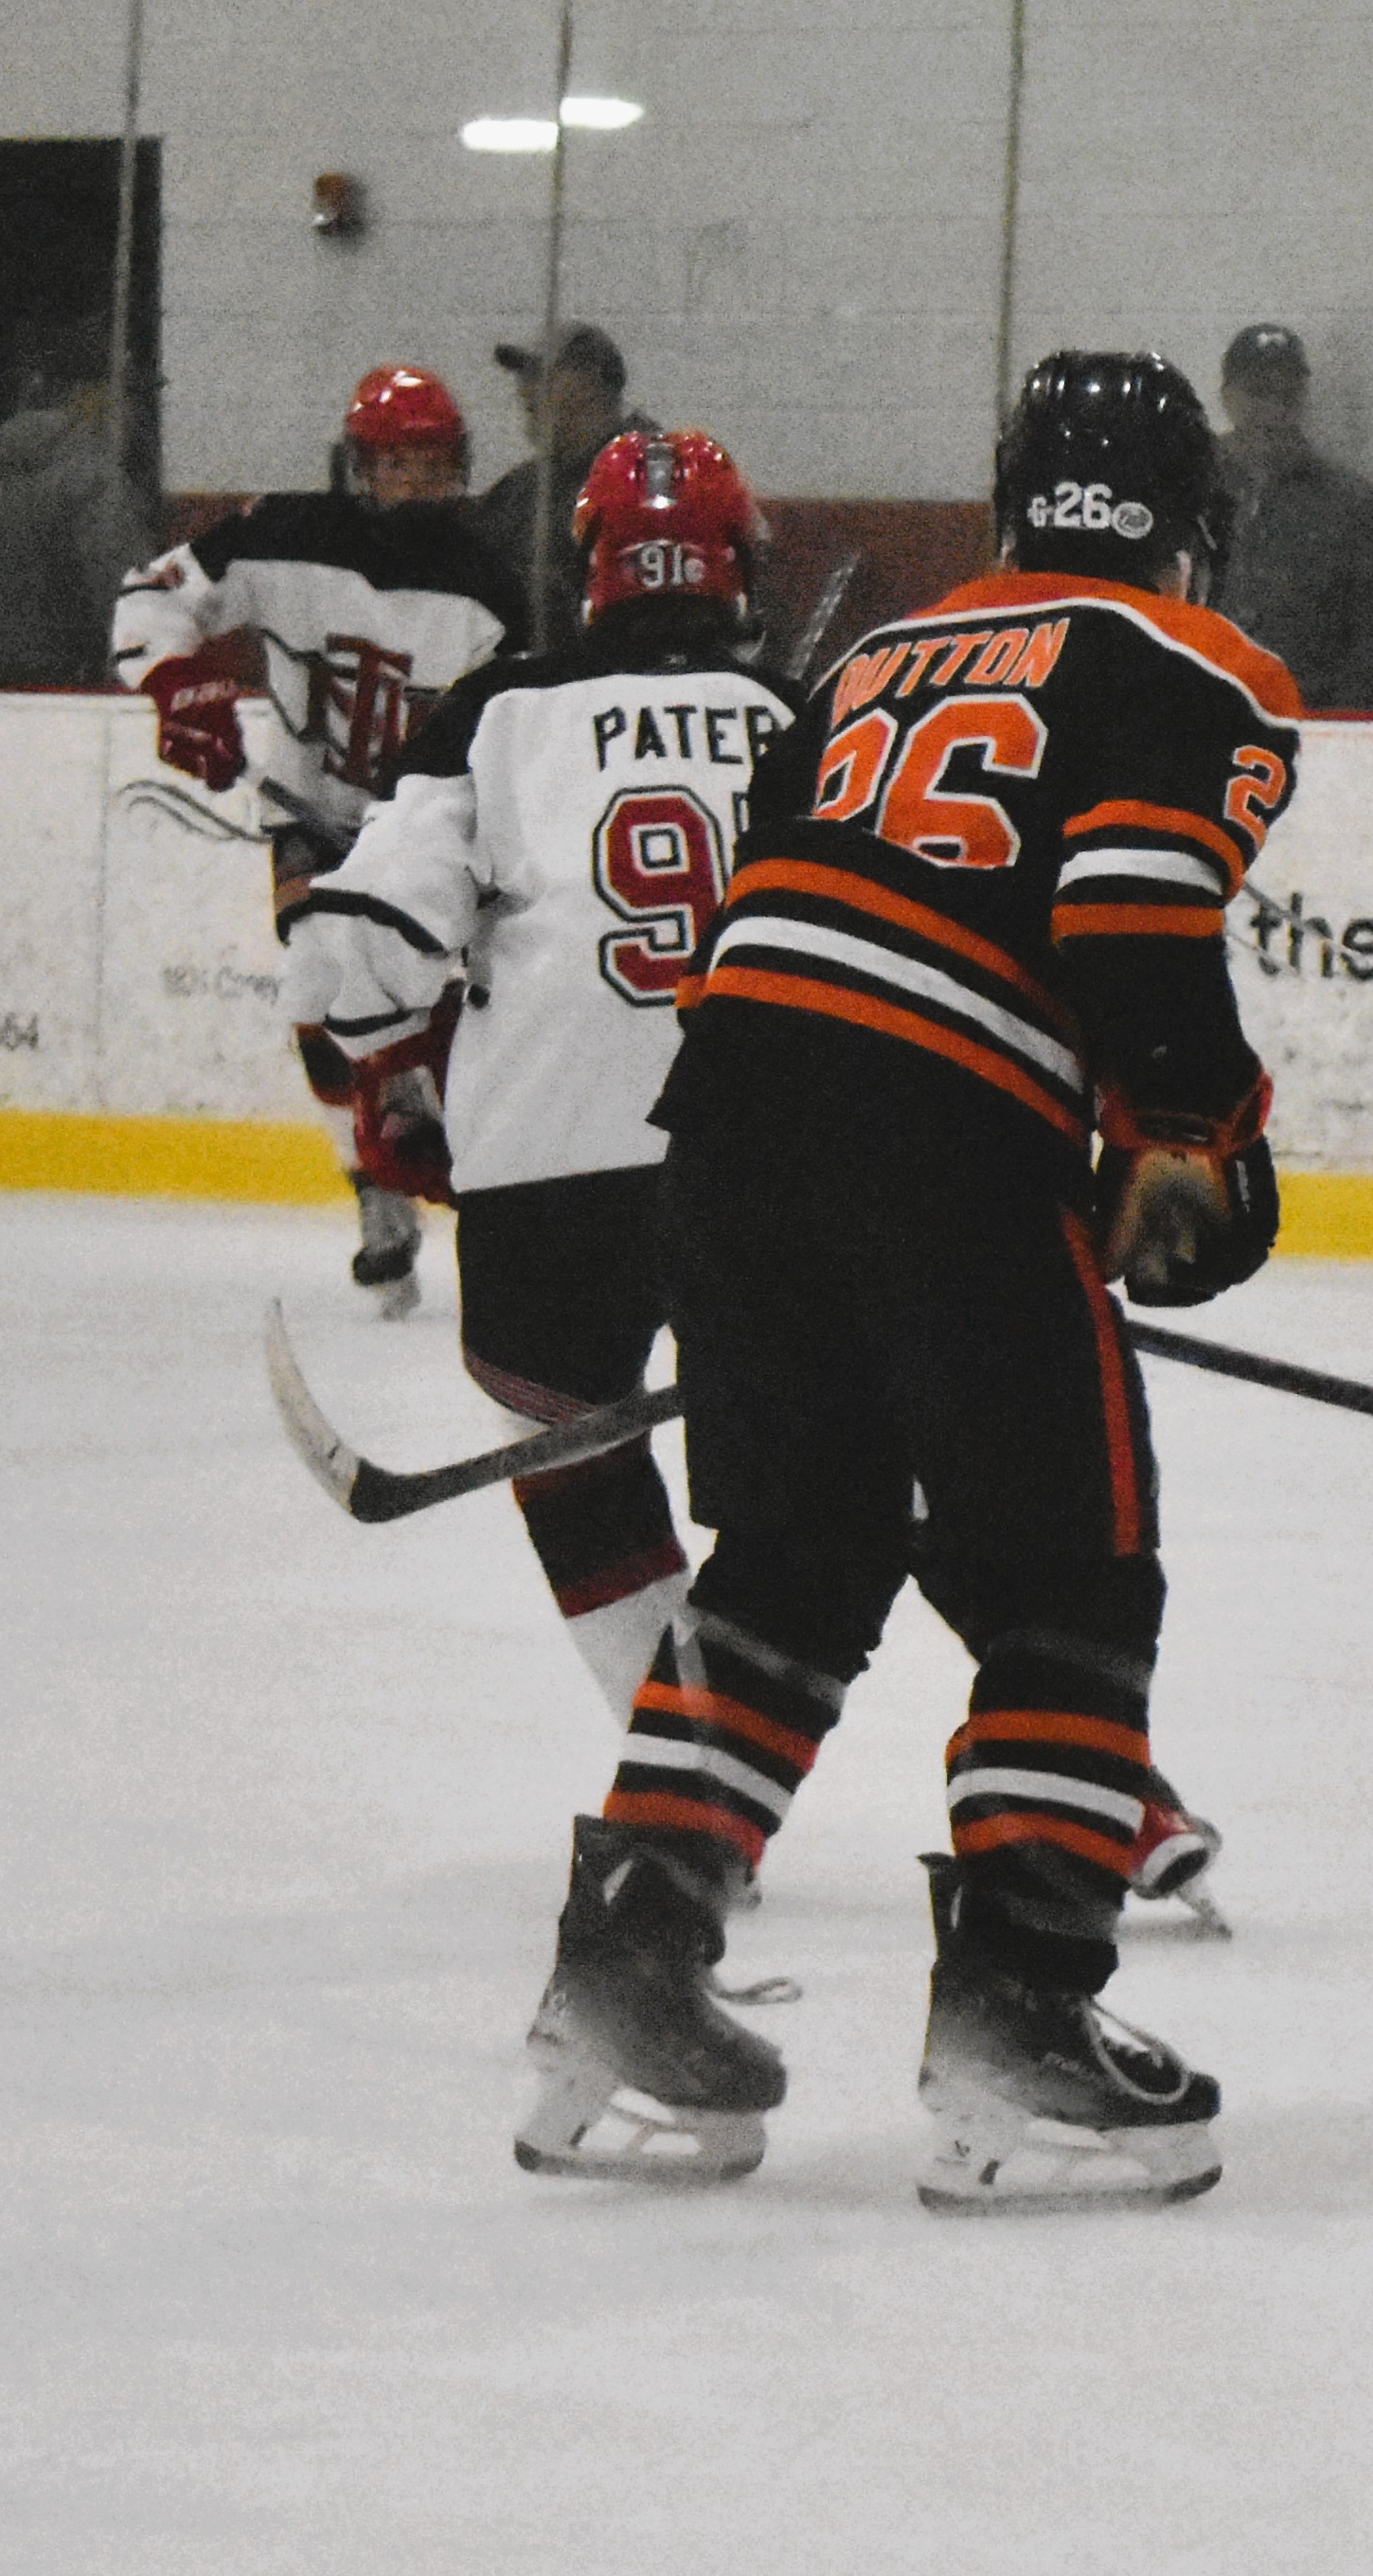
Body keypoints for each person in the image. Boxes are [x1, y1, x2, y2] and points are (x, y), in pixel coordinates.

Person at [510, 349, 1293, 2210]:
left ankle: (625, 1973)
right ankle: (1022, 2008)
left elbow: (771, 908)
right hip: (942, 1123)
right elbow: (1129, 900)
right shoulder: (1193, 659)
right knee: (1070, 1562)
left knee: (795, 1554)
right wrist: (1183, 1122)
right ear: (1189, 523)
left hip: (728, 1114)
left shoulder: (873, 657)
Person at [278, 432, 794, 1722]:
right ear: (737, 567)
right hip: (775, 1166)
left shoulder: (496, 712)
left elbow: (366, 952)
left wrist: (391, 1071)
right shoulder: (807, 716)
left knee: (567, 1445)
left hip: (550, 1173)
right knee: (846, 1480)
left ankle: (679, 1753)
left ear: (589, 573)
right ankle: (1083, 1753)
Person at [114, 365, 526, 1316]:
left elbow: (510, 727)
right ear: (358, 467)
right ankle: (375, 1188)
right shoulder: (282, 535)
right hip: (309, 810)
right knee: (314, 999)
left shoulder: (492, 589)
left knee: (433, 1017)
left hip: (422, 830)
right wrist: (179, 685)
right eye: (397, 464)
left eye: (434, 465)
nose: (417, 484)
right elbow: (153, 595)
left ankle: (465, 1174)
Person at [1215, 323, 1373, 709]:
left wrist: (1335, 725)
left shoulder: (1352, 505)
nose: (1274, 410)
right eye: (1258, 393)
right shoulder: (1187, 492)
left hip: (1309, 714)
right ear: (1228, 397)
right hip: (1200, 707)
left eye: (1287, 396)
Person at [0, 326, 155, 686]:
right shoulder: (91, 480)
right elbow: (131, 606)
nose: (136, 411)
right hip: (72, 695)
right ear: (91, 394)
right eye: (129, 393)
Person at [472, 322, 650, 655]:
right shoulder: (519, 491)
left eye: (541, 375)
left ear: (590, 382)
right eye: (524, 377)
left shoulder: (652, 477)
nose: (526, 390)